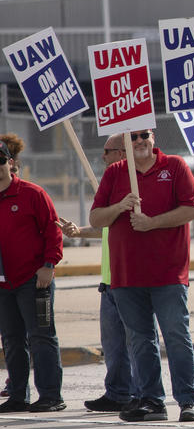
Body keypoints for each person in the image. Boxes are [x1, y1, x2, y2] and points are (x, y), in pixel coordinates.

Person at [89, 129, 194, 423]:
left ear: (154, 137)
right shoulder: (115, 172)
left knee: (176, 336)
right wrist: (119, 207)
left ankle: (188, 400)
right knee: (140, 341)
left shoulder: (174, 166)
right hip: (127, 275)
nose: (139, 141)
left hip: (168, 272)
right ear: (126, 143)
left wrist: (152, 223)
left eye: (144, 135)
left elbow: (191, 210)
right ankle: (152, 402)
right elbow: (96, 218)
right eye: (133, 137)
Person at [56, 134, 138, 412]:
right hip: (109, 279)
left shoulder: (136, 186)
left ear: (121, 153)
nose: (102, 157)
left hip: (132, 279)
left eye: (107, 151)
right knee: (113, 345)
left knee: (137, 342)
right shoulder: (111, 183)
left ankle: (140, 393)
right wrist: (80, 231)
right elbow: (107, 226)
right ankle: (117, 393)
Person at [0, 137, 65, 413]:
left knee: (41, 336)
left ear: (10, 163)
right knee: (11, 339)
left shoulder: (32, 193)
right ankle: (18, 394)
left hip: (33, 280)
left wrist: (49, 265)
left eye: (0, 160)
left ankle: (51, 396)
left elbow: (53, 231)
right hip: (3, 283)